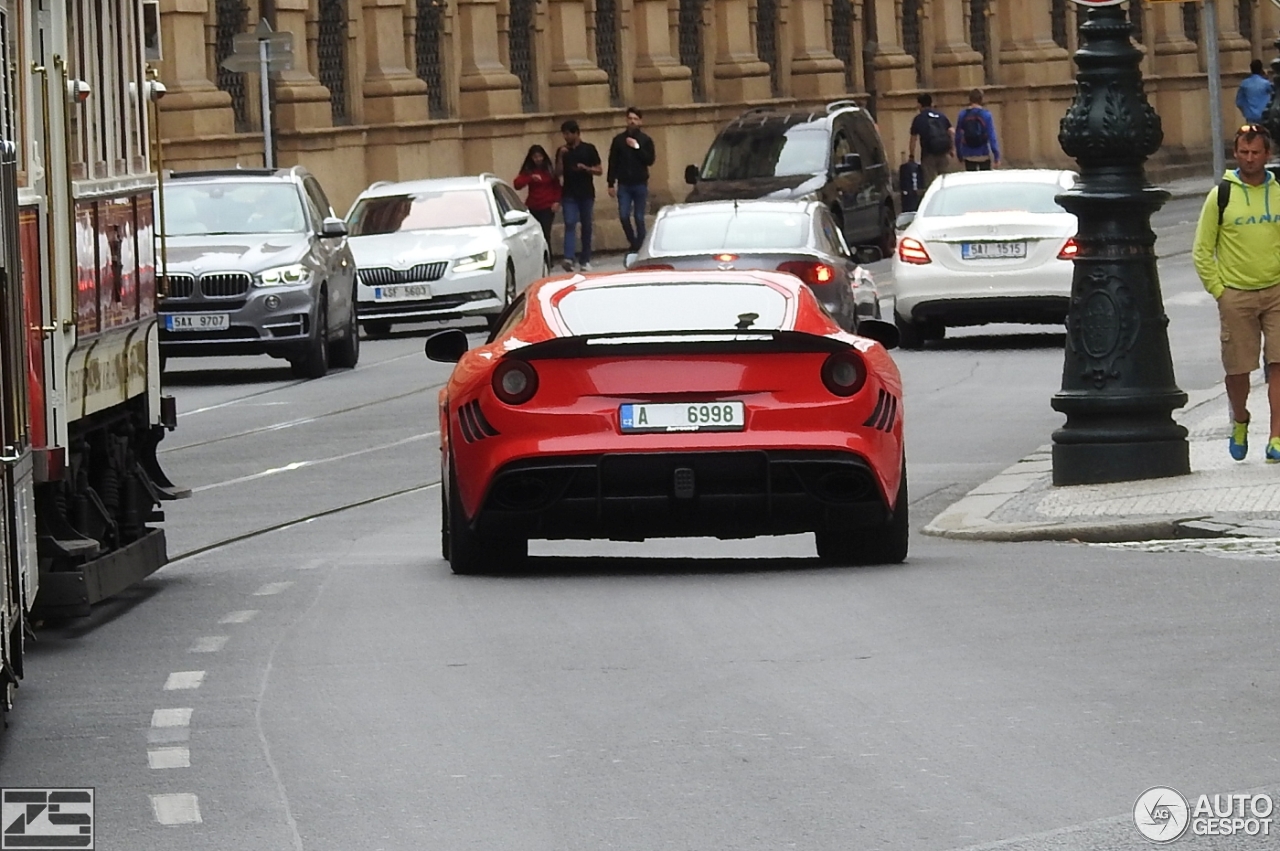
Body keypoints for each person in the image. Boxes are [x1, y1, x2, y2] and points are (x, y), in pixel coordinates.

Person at [1192, 123, 1280, 462]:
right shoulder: (1221, 195)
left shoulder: (1277, 190)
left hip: (1275, 292)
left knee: (1277, 364)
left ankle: (1275, 436)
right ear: (1236, 154)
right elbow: (1202, 249)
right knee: (1238, 370)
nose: (1250, 159)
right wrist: (1219, 291)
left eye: (1256, 153)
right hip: (1236, 294)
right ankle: (1240, 418)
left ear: (1267, 155)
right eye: (1244, 153)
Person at [606, 106, 657, 252]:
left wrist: (637, 147)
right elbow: (613, 162)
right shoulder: (618, 140)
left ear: (640, 121)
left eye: (635, 119)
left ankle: (640, 245)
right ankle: (633, 242)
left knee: (639, 217)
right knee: (623, 215)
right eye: (630, 119)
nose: (632, 122)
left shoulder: (646, 140)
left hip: (640, 183)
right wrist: (610, 183)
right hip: (624, 185)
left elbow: (649, 160)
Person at [555, 119, 603, 272]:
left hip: (586, 193)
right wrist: (561, 157)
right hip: (569, 193)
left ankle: (585, 259)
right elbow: (558, 173)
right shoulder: (562, 151)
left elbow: (599, 170)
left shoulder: (589, 149)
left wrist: (586, 168)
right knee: (569, 223)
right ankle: (569, 257)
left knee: (586, 225)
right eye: (564, 134)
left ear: (576, 133)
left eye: (568, 134)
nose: (566, 137)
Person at [513, 144, 560, 248]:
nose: (538, 159)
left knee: (545, 234)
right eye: (535, 157)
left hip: (547, 207)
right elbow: (517, 184)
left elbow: (557, 187)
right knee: (534, 234)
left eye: (540, 156)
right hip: (533, 206)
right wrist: (530, 178)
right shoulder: (528, 171)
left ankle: (548, 259)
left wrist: (557, 201)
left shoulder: (549, 170)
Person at [908, 93, 953, 190]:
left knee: (930, 184)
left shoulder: (918, 119)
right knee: (945, 181)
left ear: (920, 105)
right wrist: (951, 149)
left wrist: (911, 156)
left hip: (928, 155)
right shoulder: (941, 116)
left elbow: (913, 139)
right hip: (943, 152)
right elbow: (951, 132)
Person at [955, 89, 1001, 171]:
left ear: (970, 99)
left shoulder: (963, 114)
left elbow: (958, 136)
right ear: (981, 99)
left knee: (971, 181)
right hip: (983, 154)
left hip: (968, 155)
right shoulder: (986, 115)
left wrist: (959, 155)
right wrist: (996, 156)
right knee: (985, 181)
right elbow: (992, 136)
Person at [1236, 59, 1273, 124]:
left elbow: (1239, 102)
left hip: (1251, 118)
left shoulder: (1244, 83)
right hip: (1264, 117)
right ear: (1261, 69)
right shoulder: (1266, 83)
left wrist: (1245, 113)